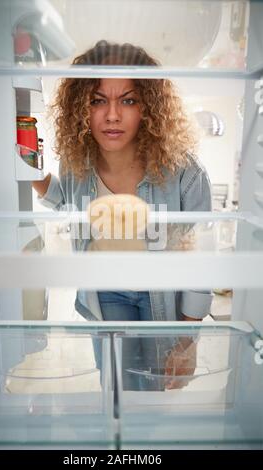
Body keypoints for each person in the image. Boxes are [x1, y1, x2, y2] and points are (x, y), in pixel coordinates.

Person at [32, 40, 213, 391]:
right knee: (117, 388)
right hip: (107, 290)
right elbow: (73, 209)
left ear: (148, 107)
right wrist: (32, 171)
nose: (112, 115)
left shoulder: (184, 172)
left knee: (157, 385)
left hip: (160, 293)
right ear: (81, 108)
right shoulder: (77, 164)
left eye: (128, 100)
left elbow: (200, 260)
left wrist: (188, 340)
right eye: (98, 100)